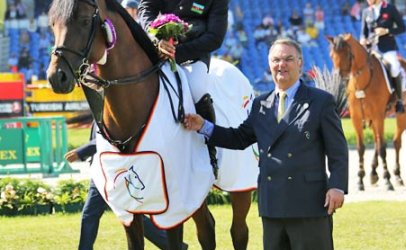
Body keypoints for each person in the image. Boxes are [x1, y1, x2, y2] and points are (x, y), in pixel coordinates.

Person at [183, 38, 349, 250]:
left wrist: (337, 186)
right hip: (273, 206)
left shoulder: (320, 101)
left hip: (309, 204)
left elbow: (338, 151)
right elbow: (239, 138)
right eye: (276, 59)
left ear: (300, 63)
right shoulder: (260, 104)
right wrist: (204, 126)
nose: (282, 64)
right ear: (269, 65)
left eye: (289, 59)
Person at [138, 0, 229, 177]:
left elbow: (215, 37)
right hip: (157, 48)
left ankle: (211, 152)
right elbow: (146, 9)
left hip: (193, 56)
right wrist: (155, 38)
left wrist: (178, 52)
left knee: (196, 89)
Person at [65, 123, 188, 250]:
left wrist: (82, 151)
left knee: (130, 215)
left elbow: (111, 136)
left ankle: (172, 245)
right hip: (101, 172)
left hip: (117, 171)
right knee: (91, 214)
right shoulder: (99, 108)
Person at [360, 0, 406, 113]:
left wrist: (386, 30)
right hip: (371, 49)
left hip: (387, 48)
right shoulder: (366, 11)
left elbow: (402, 28)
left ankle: (399, 101)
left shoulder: (390, 8)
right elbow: (363, 32)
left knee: (395, 68)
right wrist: (362, 39)